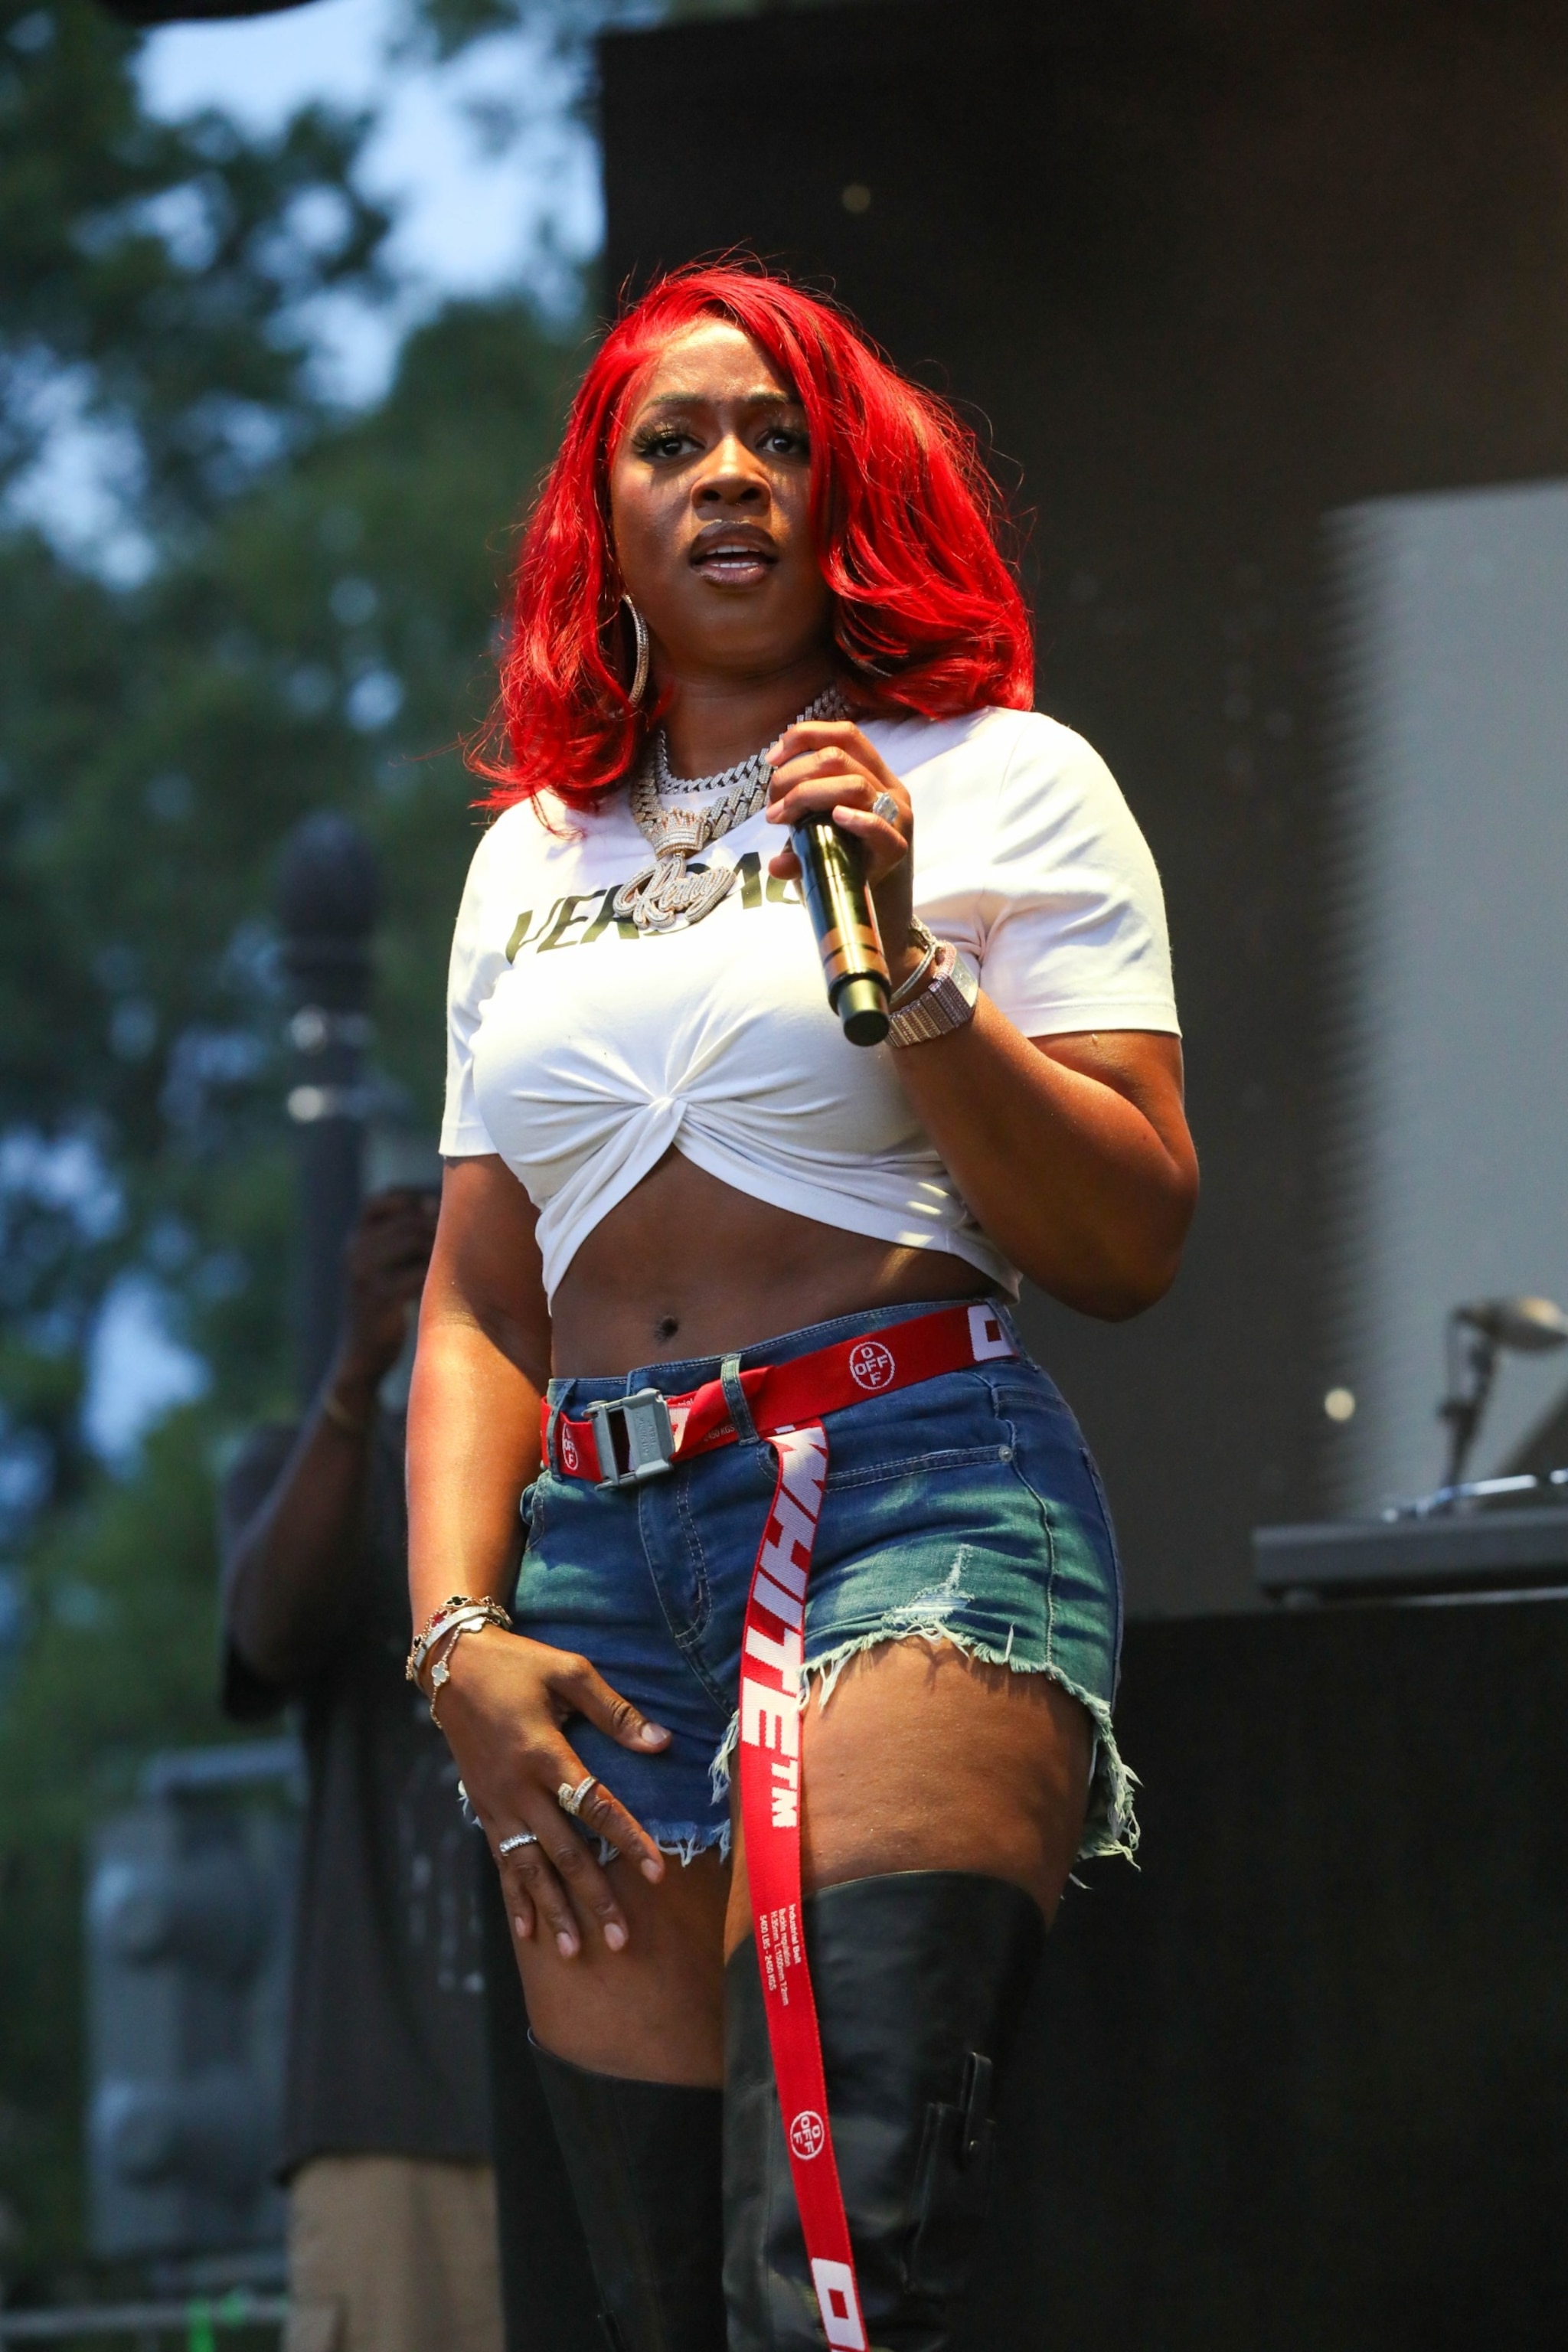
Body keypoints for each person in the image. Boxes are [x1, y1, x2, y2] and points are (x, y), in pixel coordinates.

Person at [407, 263, 1198, 2352]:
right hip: (583, 1572)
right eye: (677, 443)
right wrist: (458, 1635)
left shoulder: (1004, 775)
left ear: (847, 492)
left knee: (831, 2284)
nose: (731, 474)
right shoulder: (527, 862)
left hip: (907, 1495)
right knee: (662, 2308)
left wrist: (913, 965)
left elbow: (1129, 1237)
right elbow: (484, 1298)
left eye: (779, 436)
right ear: (609, 527)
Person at [220, 1187, 507, 2352]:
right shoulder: (317, 1464)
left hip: (604, 2088)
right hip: (390, 2129)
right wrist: (356, 1379)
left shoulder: (611, 1451)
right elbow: (266, 1634)